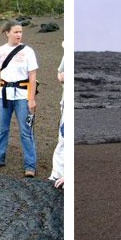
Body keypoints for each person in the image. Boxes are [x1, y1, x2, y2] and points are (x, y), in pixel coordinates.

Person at [0, 21, 39, 177]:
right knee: (2, 129)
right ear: (7, 33)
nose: (19, 34)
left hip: (22, 95)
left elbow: (33, 76)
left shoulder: (28, 51)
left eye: (20, 32)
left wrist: (31, 99)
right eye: (15, 32)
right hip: (3, 94)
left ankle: (30, 165)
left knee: (26, 131)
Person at [49, 45, 65, 188]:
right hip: (65, 102)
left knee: (64, 137)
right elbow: (59, 74)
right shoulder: (66, 56)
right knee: (63, 137)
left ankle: (61, 175)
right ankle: (57, 174)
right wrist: (62, 78)